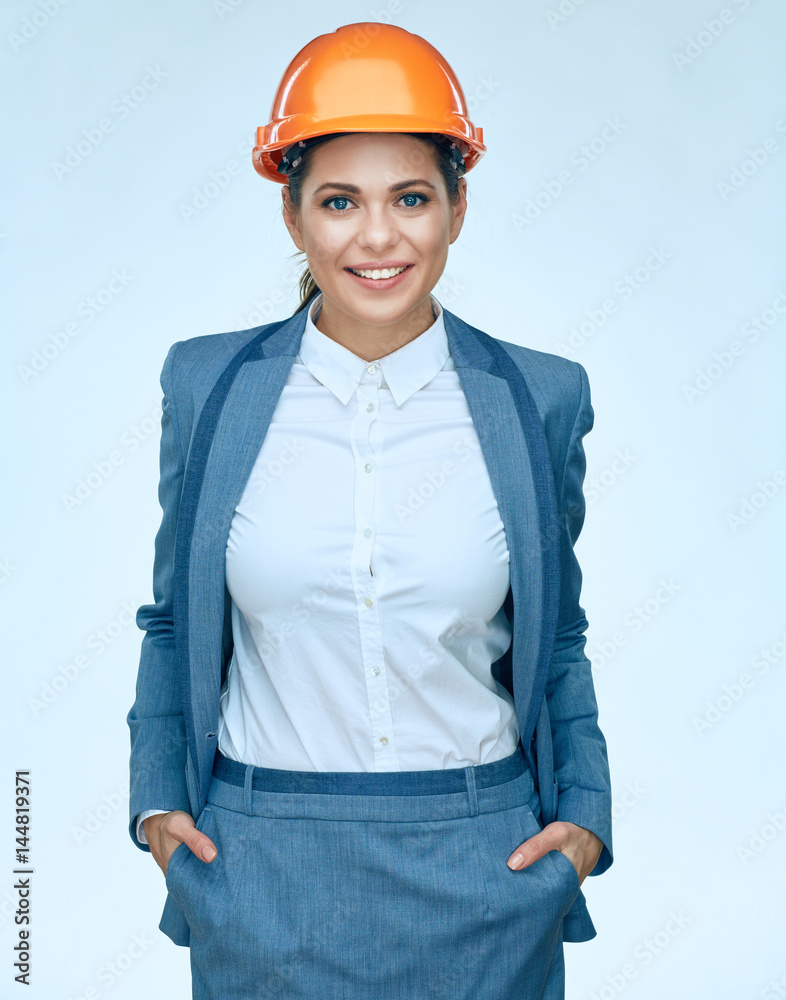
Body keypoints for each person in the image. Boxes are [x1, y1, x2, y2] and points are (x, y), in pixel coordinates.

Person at [127, 21, 613, 1000]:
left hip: (486, 866)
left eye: (412, 198)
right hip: (264, 868)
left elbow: (557, 640)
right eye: (340, 200)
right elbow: (176, 620)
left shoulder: (538, 398)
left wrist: (589, 817)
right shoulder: (210, 386)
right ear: (294, 216)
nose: (378, 236)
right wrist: (156, 809)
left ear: (458, 209)